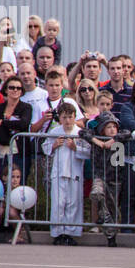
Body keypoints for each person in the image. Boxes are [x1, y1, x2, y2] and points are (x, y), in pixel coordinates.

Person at [80, 112, 133, 246]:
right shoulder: (96, 136)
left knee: (111, 209)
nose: (112, 129)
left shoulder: (120, 137)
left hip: (115, 179)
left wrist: (113, 140)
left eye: (114, 127)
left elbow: (128, 133)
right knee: (97, 192)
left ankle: (111, 236)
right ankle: (99, 206)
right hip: (100, 176)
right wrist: (96, 141)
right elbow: (82, 132)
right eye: (108, 127)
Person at [42, 102, 88, 245]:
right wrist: (54, 145)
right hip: (59, 171)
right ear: (60, 118)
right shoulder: (55, 132)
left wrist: (76, 148)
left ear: (75, 117)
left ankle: (70, 233)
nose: (68, 121)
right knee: (58, 203)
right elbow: (45, 147)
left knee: (73, 203)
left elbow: (88, 152)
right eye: (64, 117)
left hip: (75, 172)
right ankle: (58, 233)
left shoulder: (80, 133)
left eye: (70, 117)